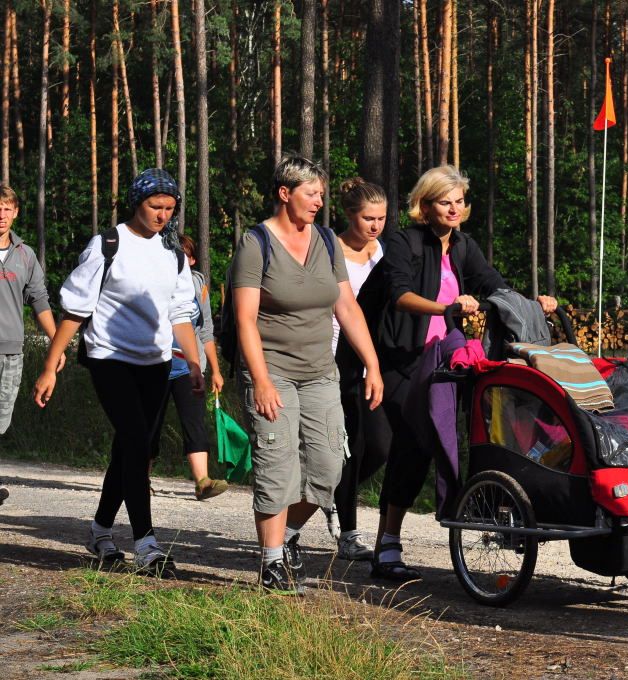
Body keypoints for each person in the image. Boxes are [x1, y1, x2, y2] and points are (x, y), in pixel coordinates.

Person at [364, 164, 556, 581]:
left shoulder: (463, 245)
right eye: (444, 202)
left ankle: (483, 507)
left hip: (446, 360)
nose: (454, 209)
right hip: (402, 358)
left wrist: (532, 303)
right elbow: (399, 295)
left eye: (459, 201)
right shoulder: (404, 242)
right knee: (413, 443)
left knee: (479, 430)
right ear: (424, 206)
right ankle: (387, 543)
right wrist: (446, 309)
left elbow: (494, 285)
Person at [33, 168, 204, 576]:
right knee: (136, 443)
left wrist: (194, 361)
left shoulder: (172, 254)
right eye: (155, 206)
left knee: (130, 447)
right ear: (136, 203)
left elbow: (181, 313)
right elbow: (76, 309)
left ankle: (100, 531)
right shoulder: (108, 245)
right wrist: (50, 365)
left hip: (156, 362)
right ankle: (146, 543)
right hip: (109, 358)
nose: (163, 215)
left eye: (170, 208)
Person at [230, 156, 383, 595]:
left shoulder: (327, 241)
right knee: (277, 466)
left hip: (320, 372)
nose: (319, 201)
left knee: (328, 466)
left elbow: (346, 306)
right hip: (272, 370)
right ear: (285, 193)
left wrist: (372, 364)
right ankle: (272, 563)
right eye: (311, 193)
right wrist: (261, 380)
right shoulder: (256, 243)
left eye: (321, 194)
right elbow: (245, 320)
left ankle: (288, 534)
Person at [322, 177, 390, 561]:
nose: (375, 226)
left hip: (372, 360)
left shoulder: (382, 251)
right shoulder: (331, 249)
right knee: (351, 446)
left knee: (380, 446)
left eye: (381, 218)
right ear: (350, 215)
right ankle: (348, 534)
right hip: (334, 358)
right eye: (368, 218)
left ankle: (328, 494)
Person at [150, 235, 228, 501]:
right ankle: (139, 479)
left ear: (192, 260)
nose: (178, 259)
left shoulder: (198, 285)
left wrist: (215, 370)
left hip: (188, 366)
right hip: (155, 364)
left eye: (184, 254)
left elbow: (206, 331)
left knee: (194, 422)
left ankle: (202, 482)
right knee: (150, 424)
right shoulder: (153, 278)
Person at [0, 185, 63, 437]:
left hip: (11, 354)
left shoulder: (25, 255)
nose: (2, 215)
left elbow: (39, 300)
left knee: (1, 423)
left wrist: (57, 342)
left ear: (16, 212)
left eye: (7, 209)